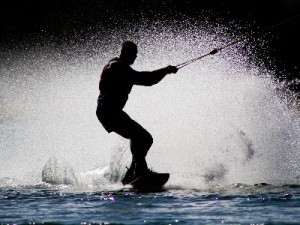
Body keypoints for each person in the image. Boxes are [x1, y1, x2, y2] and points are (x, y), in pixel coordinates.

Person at [96, 40, 178, 185]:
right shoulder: (117, 67)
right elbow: (146, 80)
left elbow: (146, 79)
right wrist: (166, 70)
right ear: (125, 53)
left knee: (146, 138)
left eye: (136, 54)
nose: (135, 57)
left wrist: (165, 71)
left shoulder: (120, 66)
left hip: (113, 111)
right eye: (133, 54)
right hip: (108, 111)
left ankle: (132, 175)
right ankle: (141, 171)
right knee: (136, 135)